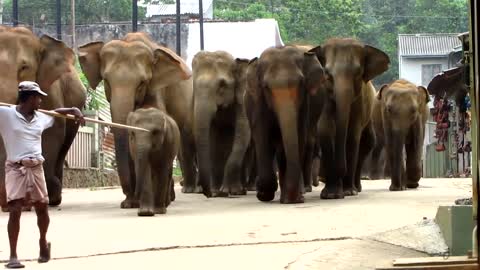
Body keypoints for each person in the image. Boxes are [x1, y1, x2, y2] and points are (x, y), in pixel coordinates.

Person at [0, 81, 85, 269]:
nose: (40, 101)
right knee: (14, 209)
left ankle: (43, 242)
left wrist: (73, 110)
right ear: (29, 98)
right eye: (38, 98)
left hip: (37, 167)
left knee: (42, 208)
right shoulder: (5, 114)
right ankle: (13, 256)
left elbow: (57, 112)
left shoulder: (42, 117)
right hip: (15, 168)